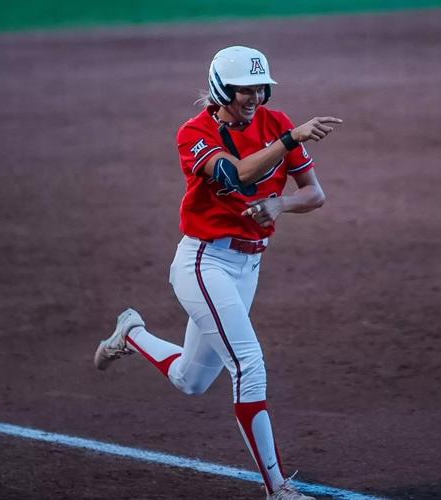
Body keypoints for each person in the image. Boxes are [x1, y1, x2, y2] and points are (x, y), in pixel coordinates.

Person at [94, 45, 342, 500]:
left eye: (259, 88)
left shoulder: (277, 121)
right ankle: (278, 489)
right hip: (204, 263)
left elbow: (315, 194)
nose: (253, 97)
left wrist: (280, 203)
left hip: (248, 266)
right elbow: (237, 174)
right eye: (243, 89)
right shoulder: (194, 133)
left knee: (192, 380)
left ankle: (131, 333)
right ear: (221, 89)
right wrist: (288, 142)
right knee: (249, 363)